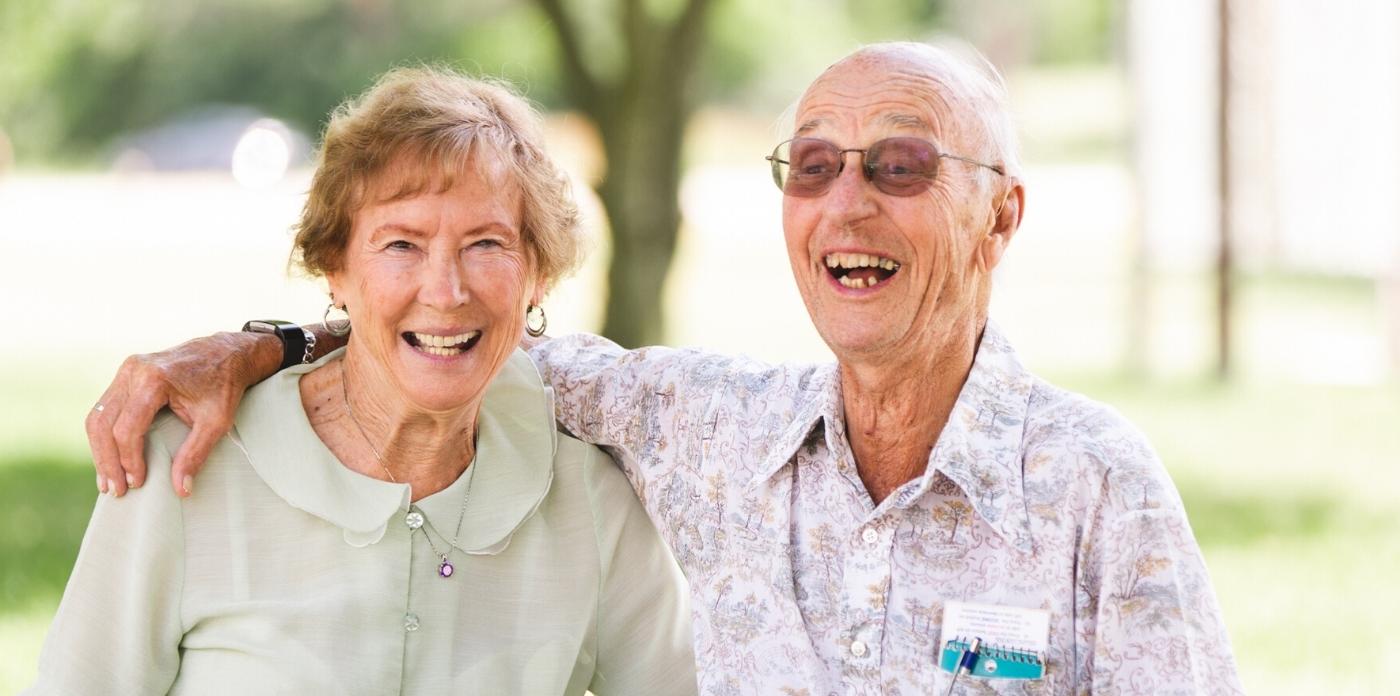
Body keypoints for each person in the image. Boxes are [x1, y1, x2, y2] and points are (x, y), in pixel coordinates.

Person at [87, 43, 1242, 693]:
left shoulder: (1096, 487)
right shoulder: (710, 431)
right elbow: (456, 325)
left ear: (999, 215)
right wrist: (267, 343)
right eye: (814, 166)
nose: (847, 203)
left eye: (898, 166)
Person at [30, 67, 696, 695]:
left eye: (486, 244)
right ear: (335, 269)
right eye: (401, 244)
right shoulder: (184, 467)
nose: (446, 290)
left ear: (537, 275)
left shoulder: (595, 502)